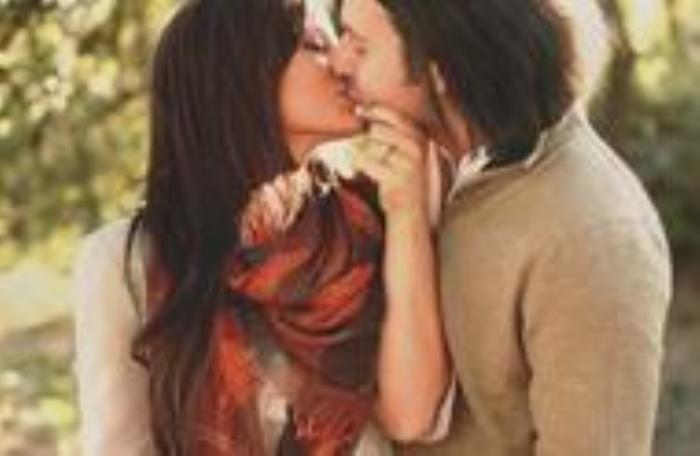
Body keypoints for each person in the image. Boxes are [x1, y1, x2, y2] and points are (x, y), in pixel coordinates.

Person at [72, 0, 453, 454]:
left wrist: (408, 214)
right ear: (241, 76)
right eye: (315, 44)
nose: (341, 61)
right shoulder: (125, 261)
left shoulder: (365, 221)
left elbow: (410, 416)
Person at [329, 0, 672, 455]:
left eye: (360, 46)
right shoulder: (415, 165)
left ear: (442, 69)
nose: (336, 62)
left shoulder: (594, 237)